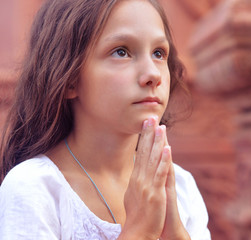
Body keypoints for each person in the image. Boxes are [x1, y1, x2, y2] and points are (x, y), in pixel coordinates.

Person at [0, 0, 211, 239]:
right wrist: (140, 229)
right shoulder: (35, 188)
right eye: (121, 51)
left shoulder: (181, 187)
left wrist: (174, 233)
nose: (153, 73)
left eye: (159, 53)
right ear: (69, 78)